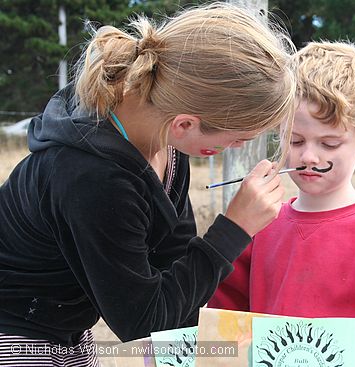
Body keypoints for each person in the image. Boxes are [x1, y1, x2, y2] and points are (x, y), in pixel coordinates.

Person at [0, 3, 296, 366]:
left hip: (67, 332)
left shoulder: (165, 145)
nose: (236, 149)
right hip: (18, 338)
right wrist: (234, 230)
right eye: (238, 139)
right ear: (185, 124)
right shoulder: (93, 176)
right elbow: (143, 322)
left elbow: (173, 271)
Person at [209, 41, 355, 367]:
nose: (309, 156)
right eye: (295, 140)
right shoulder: (259, 225)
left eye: (329, 143)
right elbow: (225, 318)